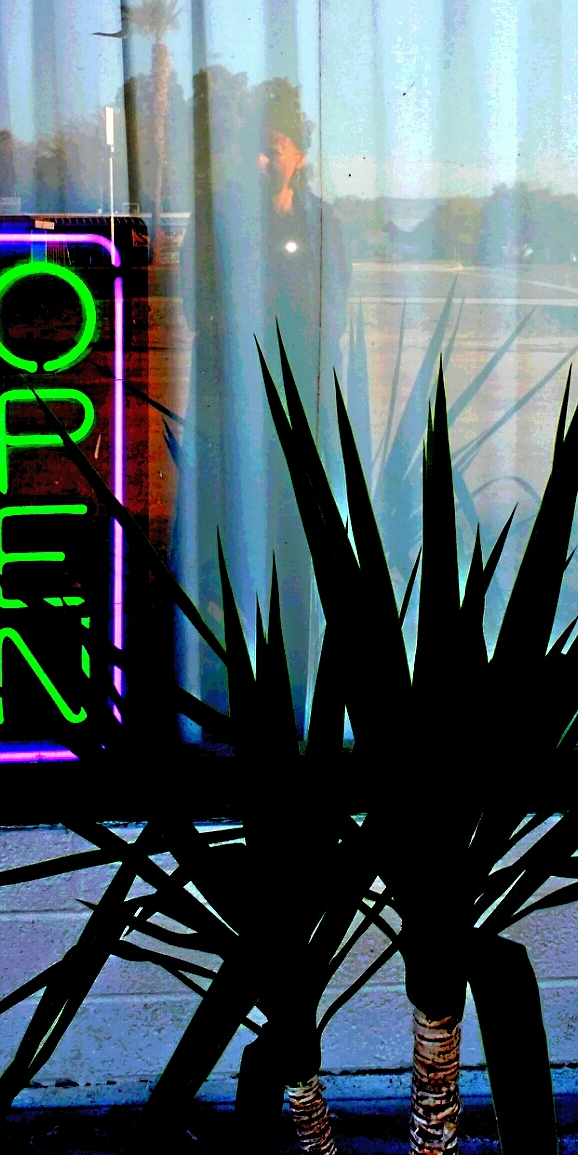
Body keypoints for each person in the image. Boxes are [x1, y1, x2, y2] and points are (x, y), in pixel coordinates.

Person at [174, 77, 349, 737]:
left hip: (303, 401)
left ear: (299, 154)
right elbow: (198, 305)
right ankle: (227, 646)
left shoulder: (324, 225)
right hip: (233, 400)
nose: (260, 159)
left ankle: (298, 640)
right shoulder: (218, 224)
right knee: (231, 509)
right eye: (254, 146)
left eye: (273, 146)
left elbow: (335, 309)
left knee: (295, 517)